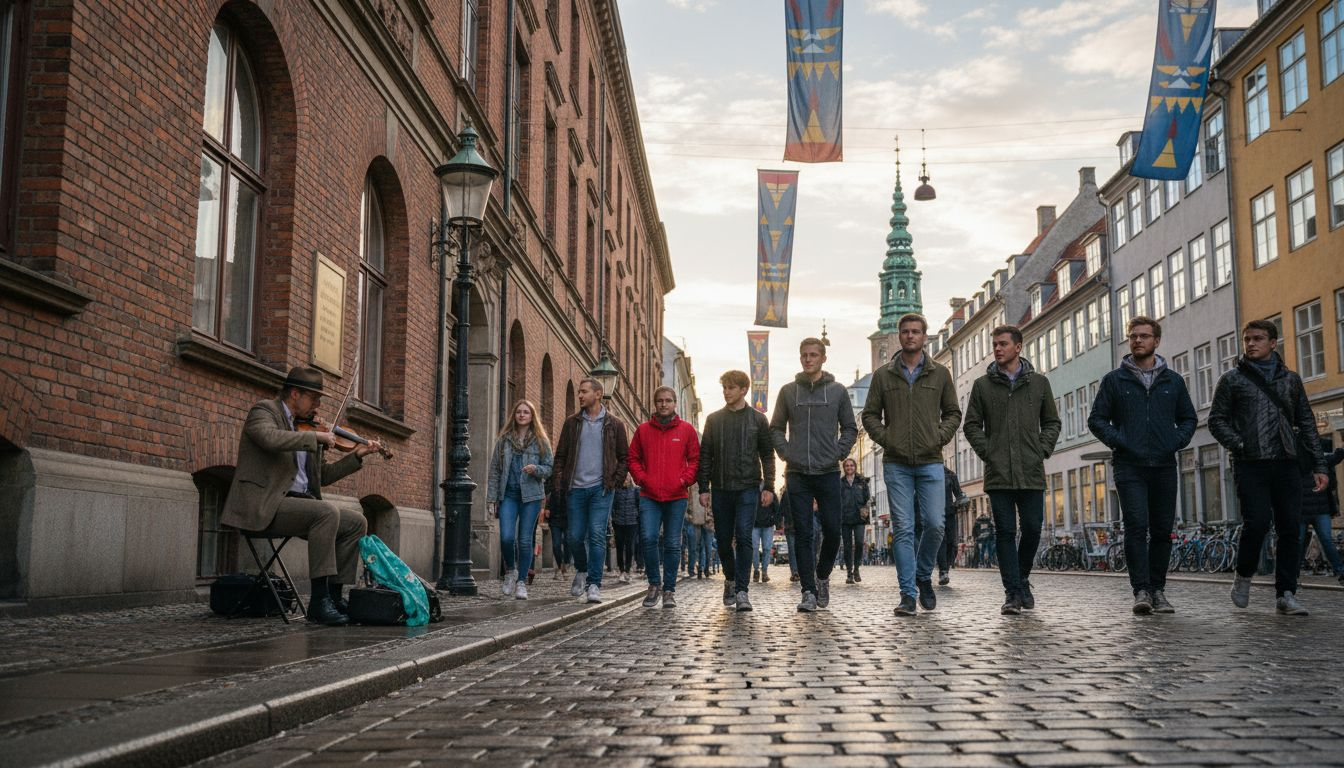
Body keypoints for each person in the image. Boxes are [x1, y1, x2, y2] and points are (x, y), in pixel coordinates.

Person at [221, 367, 381, 626]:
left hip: (299, 505)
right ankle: (318, 601)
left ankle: (334, 596)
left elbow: (323, 476)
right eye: (314, 398)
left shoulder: (306, 428)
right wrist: (313, 437)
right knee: (326, 512)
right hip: (265, 505)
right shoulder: (264, 411)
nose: (318, 406)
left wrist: (357, 456)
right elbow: (270, 438)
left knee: (355, 522)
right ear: (295, 394)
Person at [1209, 320, 1328, 616]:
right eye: (1247, 339)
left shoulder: (1291, 380)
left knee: (1290, 529)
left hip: (1287, 461)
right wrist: (1239, 443)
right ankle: (1244, 575)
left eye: (1258, 338)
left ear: (1273, 343)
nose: (1251, 344)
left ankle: (1286, 593)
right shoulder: (1232, 379)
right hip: (1250, 463)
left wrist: (1319, 465)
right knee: (1258, 523)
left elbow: (1306, 422)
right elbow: (1216, 420)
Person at [1087, 317, 1197, 615]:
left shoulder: (1173, 381)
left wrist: (1175, 441)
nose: (1137, 340)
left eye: (1144, 336)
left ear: (1156, 341)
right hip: (1129, 465)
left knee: (1162, 529)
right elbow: (1096, 419)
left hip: (1163, 464)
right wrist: (1120, 441)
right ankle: (1141, 591)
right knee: (1136, 526)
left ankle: (1158, 590)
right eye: (1133, 336)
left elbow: (1188, 418)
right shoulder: (1115, 380)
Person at [861, 314, 961, 616]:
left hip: (931, 461)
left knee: (935, 524)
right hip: (896, 463)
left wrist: (938, 438)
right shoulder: (884, 376)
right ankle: (907, 594)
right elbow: (869, 416)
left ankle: (923, 574)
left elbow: (953, 413)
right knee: (903, 529)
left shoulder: (940, 374)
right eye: (905, 331)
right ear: (900, 335)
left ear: (924, 337)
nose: (909, 336)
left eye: (915, 331)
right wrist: (888, 439)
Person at [963, 324, 1060, 615]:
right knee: (1005, 532)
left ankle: (1022, 578)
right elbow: (971, 425)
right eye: (995, 344)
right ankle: (1012, 593)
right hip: (999, 473)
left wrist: (1041, 449)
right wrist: (989, 452)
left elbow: (1052, 422)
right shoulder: (983, 386)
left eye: (1003, 344)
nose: (997, 348)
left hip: (1031, 470)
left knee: (1032, 528)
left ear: (1018, 347)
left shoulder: (1039, 383)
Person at [771, 337, 858, 613]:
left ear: (823, 358)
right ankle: (808, 590)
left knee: (833, 531)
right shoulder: (788, 392)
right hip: (797, 473)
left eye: (813, 355)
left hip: (827, 471)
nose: (808, 359)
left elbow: (850, 428)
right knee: (803, 533)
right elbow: (776, 428)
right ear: (800, 358)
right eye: (804, 355)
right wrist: (787, 453)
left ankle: (822, 575)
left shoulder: (837, 392)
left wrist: (837, 453)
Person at [698, 369, 777, 611]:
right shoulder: (714, 420)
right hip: (721, 487)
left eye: (731, 387)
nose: (726, 392)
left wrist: (769, 486)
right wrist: (704, 487)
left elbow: (767, 454)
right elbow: (706, 455)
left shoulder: (758, 419)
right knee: (723, 540)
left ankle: (742, 591)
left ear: (744, 390)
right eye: (724, 387)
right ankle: (730, 579)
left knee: (744, 537)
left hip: (748, 487)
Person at [551, 378, 629, 604]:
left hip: (601, 490)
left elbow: (624, 458)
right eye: (579, 392)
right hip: (575, 489)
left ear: (598, 394)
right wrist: (559, 482)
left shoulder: (615, 424)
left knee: (596, 534)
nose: (580, 396)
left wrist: (614, 482)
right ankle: (582, 569)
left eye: (584, 392)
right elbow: (560, 456)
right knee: (574, 537)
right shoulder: (571, 423)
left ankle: (594, 584)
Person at [628, 385, 701, 609]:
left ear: (674, 403)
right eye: (660, 400)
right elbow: (633, 458)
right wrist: (642, 479)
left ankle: (669, 590)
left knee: (672, 543)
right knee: (648, 538)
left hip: (676, 496)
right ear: (655, 403)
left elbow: (695, 460)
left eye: (668, 400)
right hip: (649, 495)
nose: (664, 404)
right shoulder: (643, 430)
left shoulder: (687, 430)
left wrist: (684, 480)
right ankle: (654, 585)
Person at [486, 399, 554, 601]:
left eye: (526, 412)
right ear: (514, 416)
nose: (522, 415)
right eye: (519, 412)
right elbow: (494, 470)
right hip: (509, 495)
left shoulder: (540, 440)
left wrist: (536, 469)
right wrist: (491, 499)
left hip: (531, 497)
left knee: (524, 540)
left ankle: (522, 581)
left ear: (532, 417)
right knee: (506, 537)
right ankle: (510, 572)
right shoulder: (504, 440)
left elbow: (549, 468)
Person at [1300, 423, 1344, 583]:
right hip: (1302, 510)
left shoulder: (1321, 460)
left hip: (1320, 510)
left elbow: (1336, 457)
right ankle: (1292, 574)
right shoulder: (1298, 463)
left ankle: (1340, 570)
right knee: (1298, 542)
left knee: (1326, 540)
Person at [839, 459, 870, 584]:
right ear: (844, 468)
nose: (849, 467)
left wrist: (863, 507)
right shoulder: (841, 482)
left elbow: (867, 496)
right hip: (845, 517)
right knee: (847, 546)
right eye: (847, 466)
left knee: (859, 543)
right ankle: (849, 573)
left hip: (859, 517)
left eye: (851, 465)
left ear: (855, 467)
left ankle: (856, 568)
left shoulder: (861, 481)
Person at [936, 464, 968, 585]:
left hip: (949, 513)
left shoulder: (950, 475)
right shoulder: (928, 473)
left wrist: (961, 501)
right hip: (935, 513)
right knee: (941, 541)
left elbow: (958, 494)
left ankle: (946, 569)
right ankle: (943, 571)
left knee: (952, 543)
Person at [610, 479, 640, 584]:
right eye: (623, 479)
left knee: (630, 547)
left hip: (632, 522)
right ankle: (621, 570)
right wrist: (613, 518)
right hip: (618, 522)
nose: (625, 481)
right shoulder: (616, 491)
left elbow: (639, 505)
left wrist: (637, 517)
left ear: (630, 479)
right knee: (619, 547)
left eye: (627, 478)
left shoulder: (636, 490)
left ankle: (627, 570)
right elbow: (613, 506)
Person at [752, 493, 780, 583]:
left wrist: (775, 521)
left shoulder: (771, 493)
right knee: (754, 547)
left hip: (768, 525)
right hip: (754, 524)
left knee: (767, 548)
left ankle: (764, 571)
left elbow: (777, 508)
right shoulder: (753, 491)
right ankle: (756, 570)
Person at [543, 489, 569, 580]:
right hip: (554, 517)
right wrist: (546, 507)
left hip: (568, 517)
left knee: (568, 542)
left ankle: (565, 563)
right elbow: (545, 490)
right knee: (556, 545)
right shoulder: (553, 482)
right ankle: (561, 565)